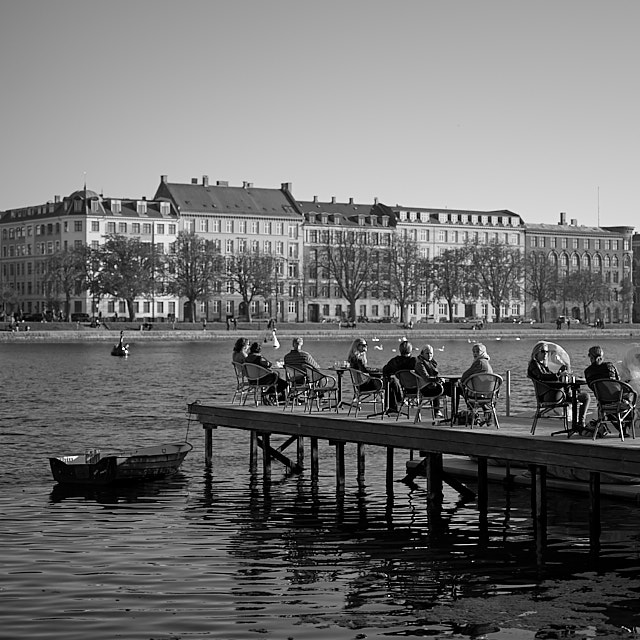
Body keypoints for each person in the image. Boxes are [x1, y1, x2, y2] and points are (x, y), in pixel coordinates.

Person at [528, 341, 589, 429]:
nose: (545, 354)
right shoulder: (534, 365)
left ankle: (580, 423)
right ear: (536, 353)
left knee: (584, 396)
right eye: (543, 351)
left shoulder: (542, 365)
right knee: (581, 395)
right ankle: (580, 423)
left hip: (554, 392)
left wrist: (560, 375)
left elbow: (549, 377)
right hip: (551, 395)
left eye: (547, 352)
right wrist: (559, 376)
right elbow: (543, 377)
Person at [414, 344, 454, 419]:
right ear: (422, 354)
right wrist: (437, 379)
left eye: (431, 353)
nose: (429, 355)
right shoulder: (420, 364)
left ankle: (455, 413)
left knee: (456, 387)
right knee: (452, 388)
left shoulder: (431, 363)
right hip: (427, 389)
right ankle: (439, 411)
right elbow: (426, 378)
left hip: (434, 385)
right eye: (427, 353)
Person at [382, 340, 417, 413]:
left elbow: (385, 370)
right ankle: (437, 410)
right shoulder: (414, 361)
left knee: (390, 381)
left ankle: (393, 406)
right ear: (410, 350)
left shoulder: (396, 361)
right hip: (418, 389)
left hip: (405, 389)